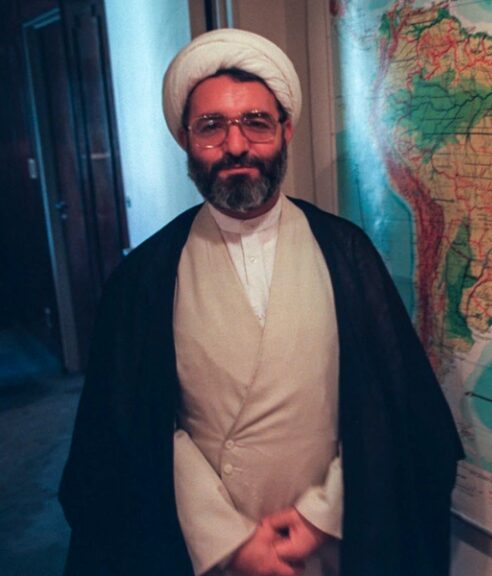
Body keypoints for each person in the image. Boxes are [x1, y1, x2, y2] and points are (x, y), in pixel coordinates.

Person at [59, 28, 463, 576]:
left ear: (285, 129)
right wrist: (228, 542)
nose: (235, 146)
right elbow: (131, 430)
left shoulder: (347, 254)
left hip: (331, 547)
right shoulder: (144, 278)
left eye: (256, 122)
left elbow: (390, 410)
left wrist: (323, 516)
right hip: (207, 554)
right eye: (211, 127)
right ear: (184, 139)